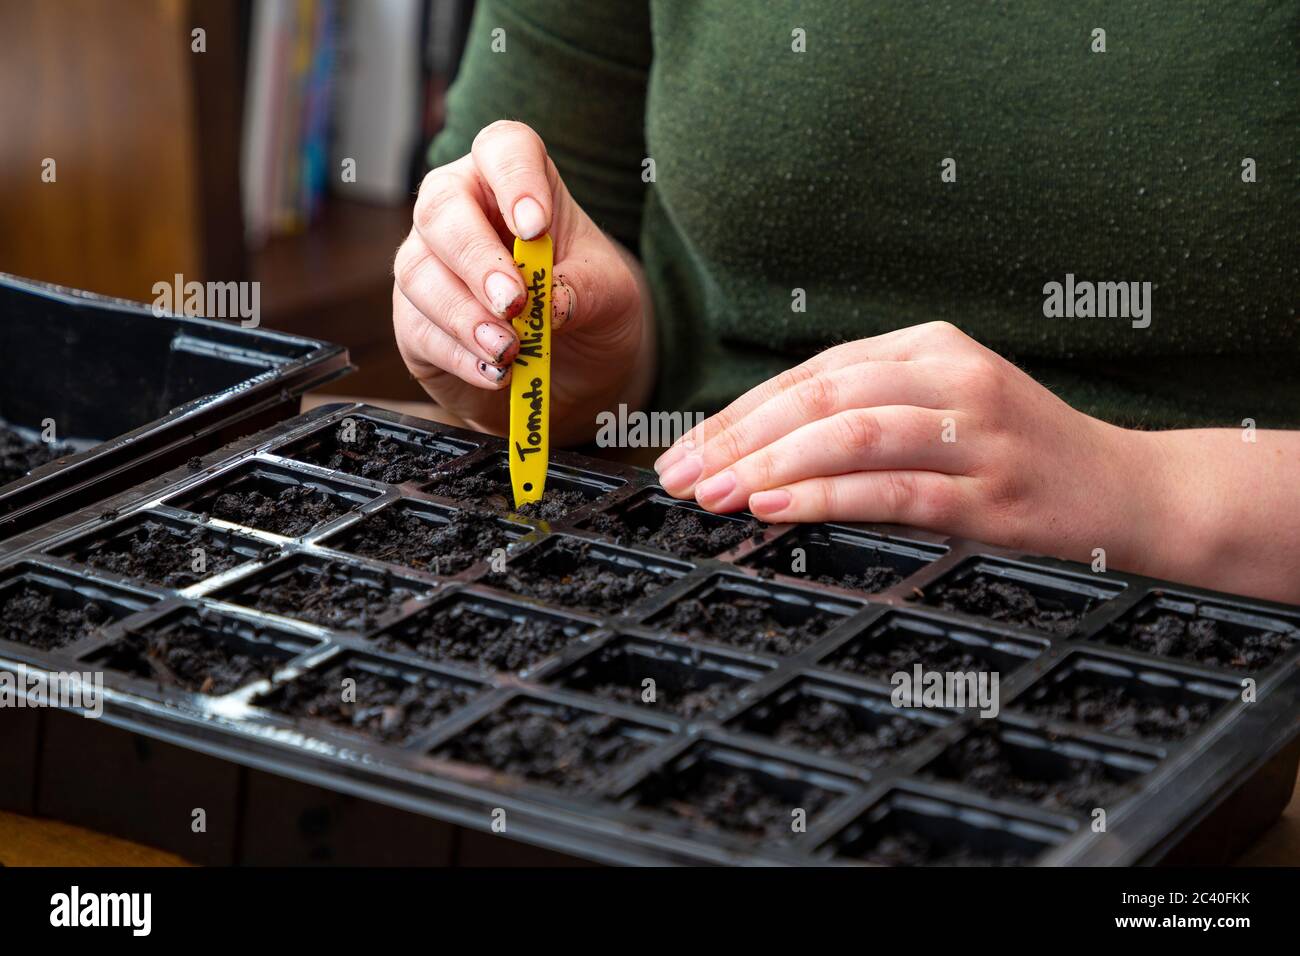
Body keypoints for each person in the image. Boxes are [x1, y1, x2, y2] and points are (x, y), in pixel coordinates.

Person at [392, 1, 1299, 603]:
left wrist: (1147, 498)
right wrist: (588, 363)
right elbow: (558, 228)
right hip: (693, 567)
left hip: (1218, 639)